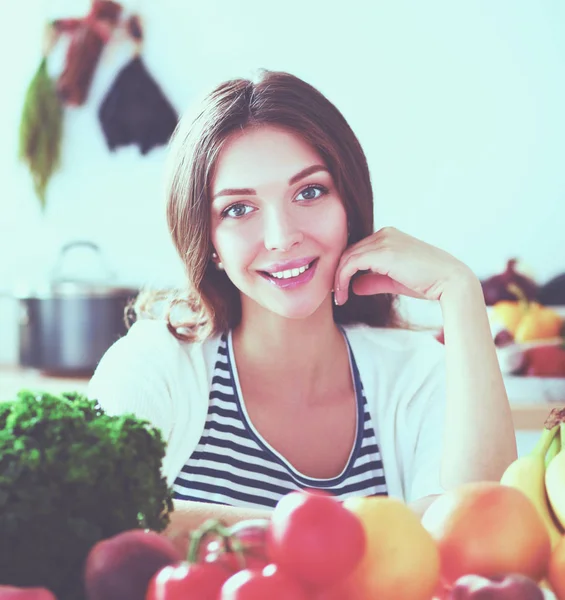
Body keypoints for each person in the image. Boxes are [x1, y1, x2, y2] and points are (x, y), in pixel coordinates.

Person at [88, 69, 517, 545]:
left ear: (348, 205)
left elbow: (478, 543)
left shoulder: (419, 375)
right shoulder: (156, 363)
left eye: (309, 192)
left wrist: (461, 292)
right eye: (238, 209)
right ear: (209, 242)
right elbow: (99, 512)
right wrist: (330, 536)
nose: (282, 236)